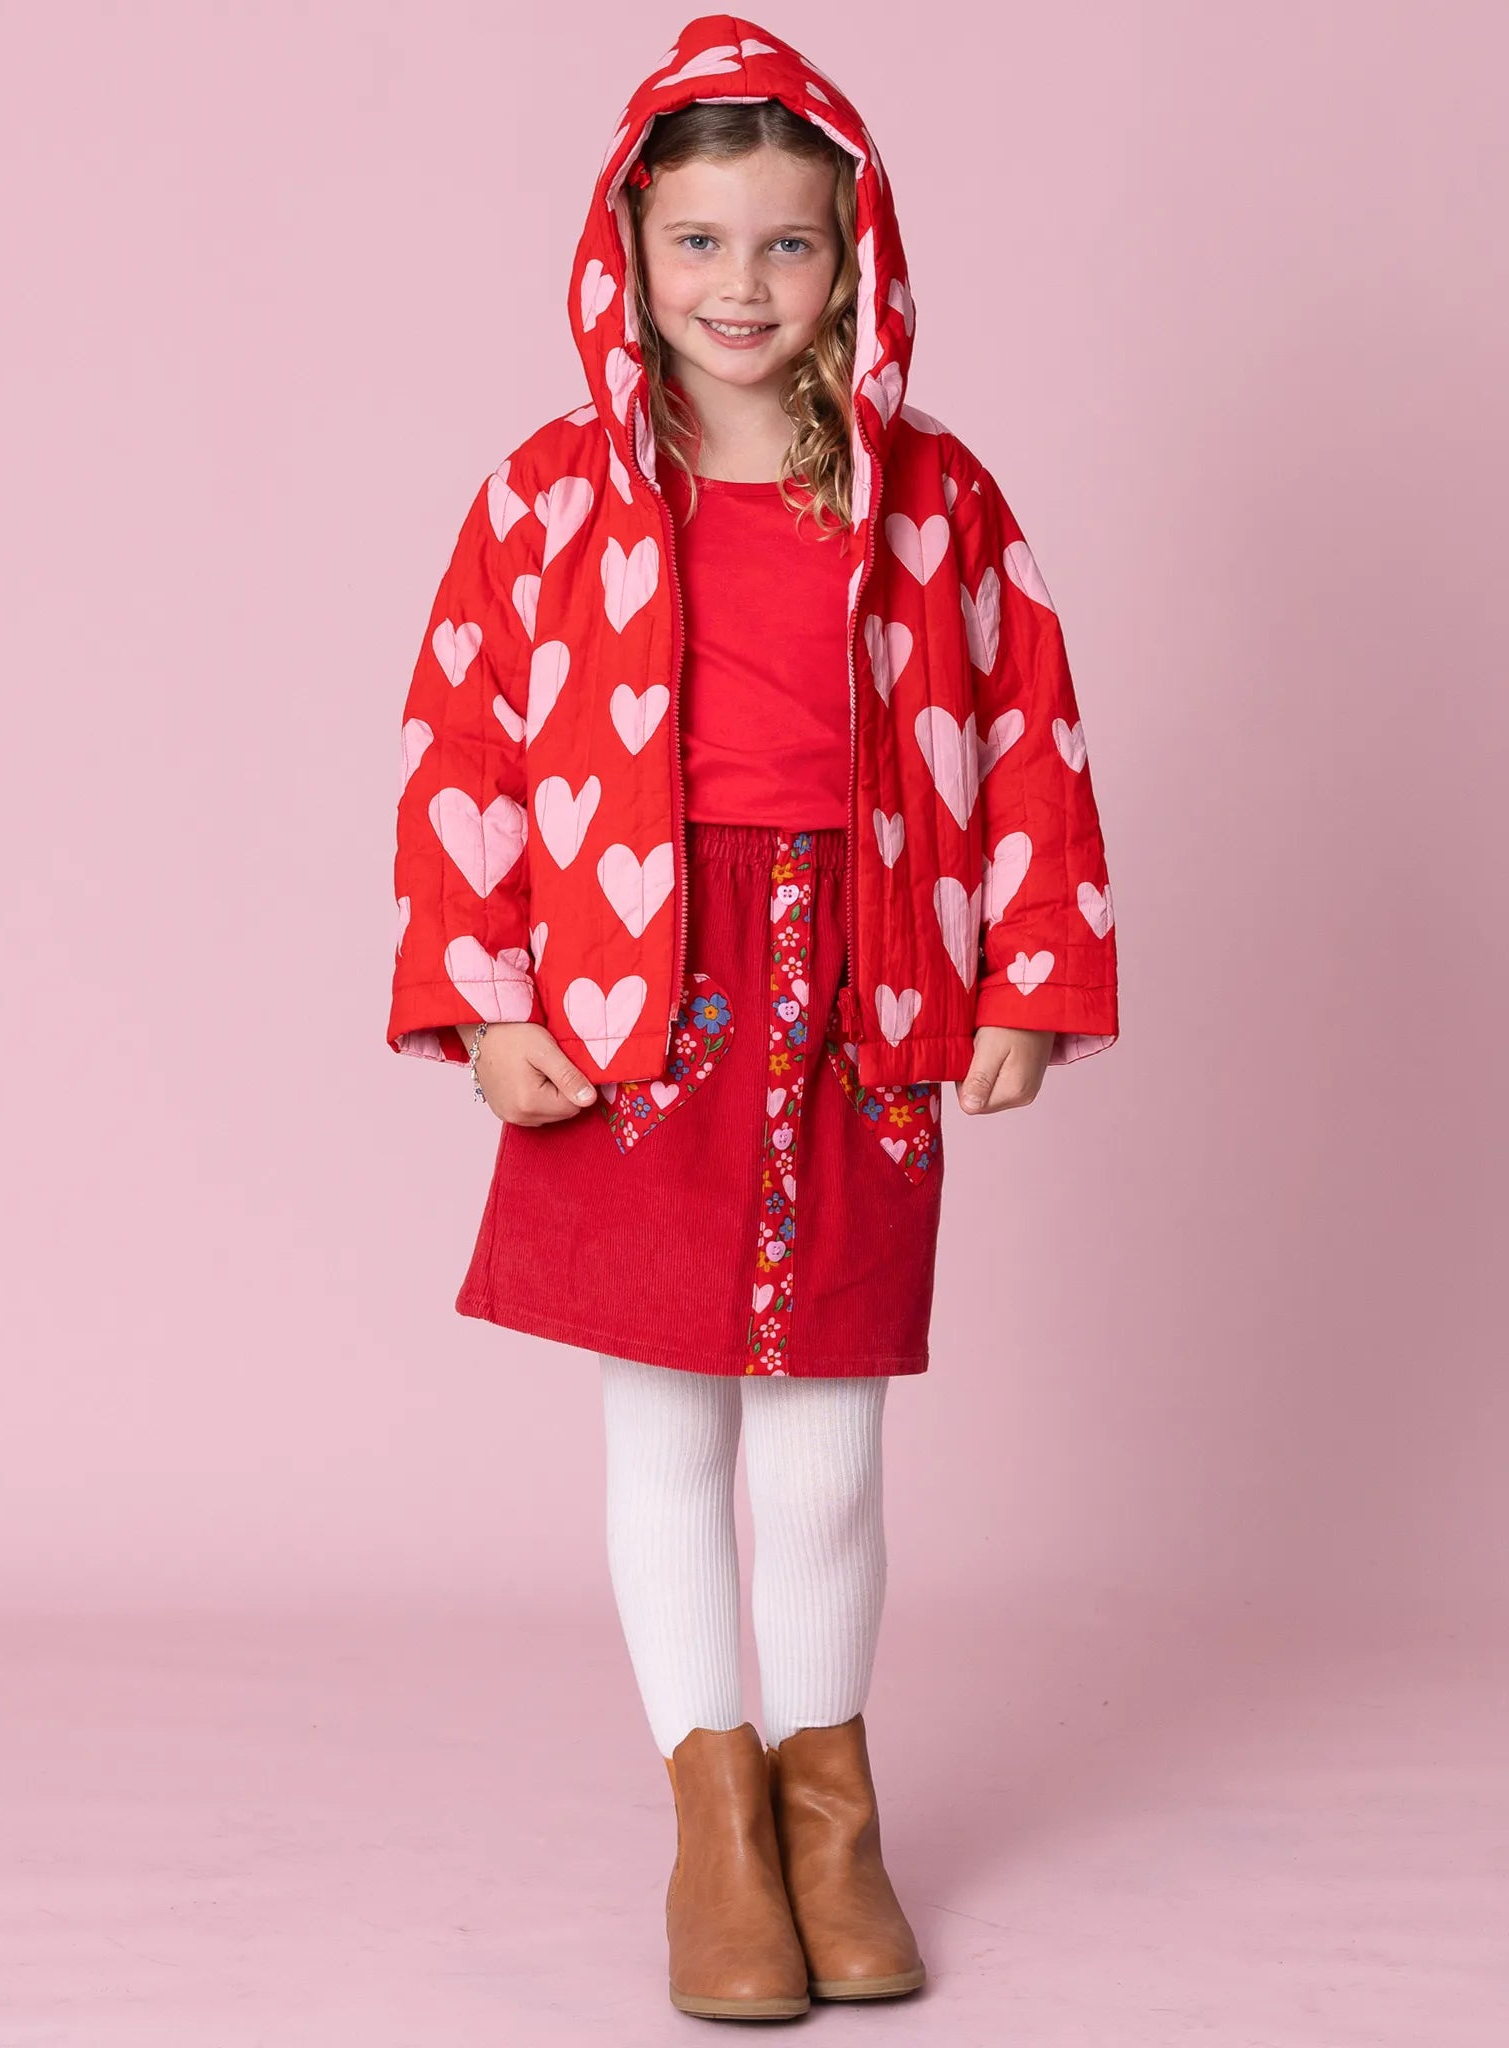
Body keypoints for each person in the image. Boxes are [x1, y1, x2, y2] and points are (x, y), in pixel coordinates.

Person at [385, 14, 1120, 2021]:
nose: (739, 287)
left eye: (784, 246)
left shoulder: (937, 497)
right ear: (623, 251)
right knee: (665, 1419)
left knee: (826, 1445)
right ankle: (715, 1833)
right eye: (697, 242)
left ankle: (829, 1818)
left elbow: (1033, 732)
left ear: (853, 259)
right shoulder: (543, 500)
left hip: (868, 971)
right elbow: (459, 741)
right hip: (642, 981)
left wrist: (1027, 976)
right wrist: (486, 991)